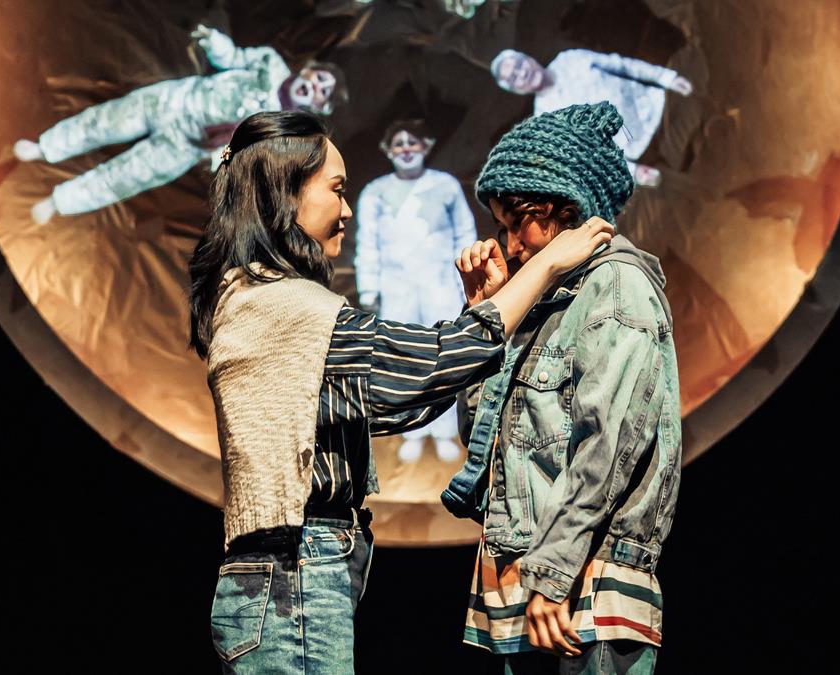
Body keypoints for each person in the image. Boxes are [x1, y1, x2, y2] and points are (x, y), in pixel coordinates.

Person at [187, 109, 614, 673]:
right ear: (286, 195)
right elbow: (430, 364)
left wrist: (477, 313)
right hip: (293, 574)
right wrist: (548, 266)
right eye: (337, 190)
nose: (347, 209)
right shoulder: (279, 305)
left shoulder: (259, 297)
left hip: (295, 574)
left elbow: (403, 400)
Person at [441, 102, 683, 674]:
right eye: (501, 227)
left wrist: (553, 573)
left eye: (517, 223)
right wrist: (486, 314)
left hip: (582, 588)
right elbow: (481, 440)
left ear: (565, 210)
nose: (509, 245)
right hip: (524, 587)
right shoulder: (540, 301)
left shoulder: (616, 287)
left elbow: (609, 448)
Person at [12, 24, 345, 223]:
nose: (315, 87)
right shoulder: (270, 64)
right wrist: (215, 43)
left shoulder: (280, 130)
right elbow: (233, 59)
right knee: (106, 121)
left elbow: (241, 153)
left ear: (319, 106)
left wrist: (217, 157)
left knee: (127, 176)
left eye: (322, 92)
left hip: (187, 146)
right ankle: (47, 146)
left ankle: (61, 201)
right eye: (319, 78)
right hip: (177, 101)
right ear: (308, 70)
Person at [354, 119, 478, 463]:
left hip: (440, 284)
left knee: (443, 357)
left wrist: (466, 283)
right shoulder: (375, 191)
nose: (406, 149)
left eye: (412, 142)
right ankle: (414, 431)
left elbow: (464, 234)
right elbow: (367, 242)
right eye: (399, 143)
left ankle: (444, 431)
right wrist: (369, 289)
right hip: (397, 289)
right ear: (387, 150)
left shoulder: (445, 185)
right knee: (407, 360)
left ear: (426, 145)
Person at [490, 48, 692, 188]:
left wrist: (666, 77)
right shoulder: (546, 121)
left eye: (519, 65)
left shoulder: (569, 59)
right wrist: (634, 171)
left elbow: (621, 65)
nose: (522, 73)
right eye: (514, 77)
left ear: (529, 59)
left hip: (661, 104)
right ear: (517, 90)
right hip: (646, 151)